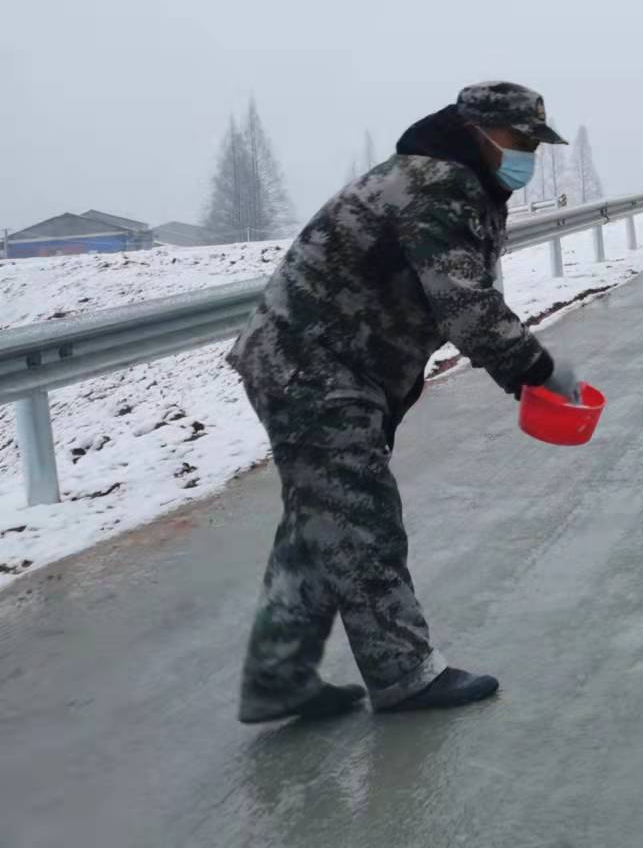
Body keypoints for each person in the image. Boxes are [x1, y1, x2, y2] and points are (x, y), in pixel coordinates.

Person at [227, 81, 583, 724]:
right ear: (476, 131)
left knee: (320, 521)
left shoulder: (460, 182)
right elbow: (463, 303)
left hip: (328, 363)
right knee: (361, 515)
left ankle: (278, 677)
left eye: (536, 143)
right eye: (519, 139)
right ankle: (404, 674)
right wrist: (538, 370)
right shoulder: (434, 185)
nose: (528, 155)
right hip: (310, 365)